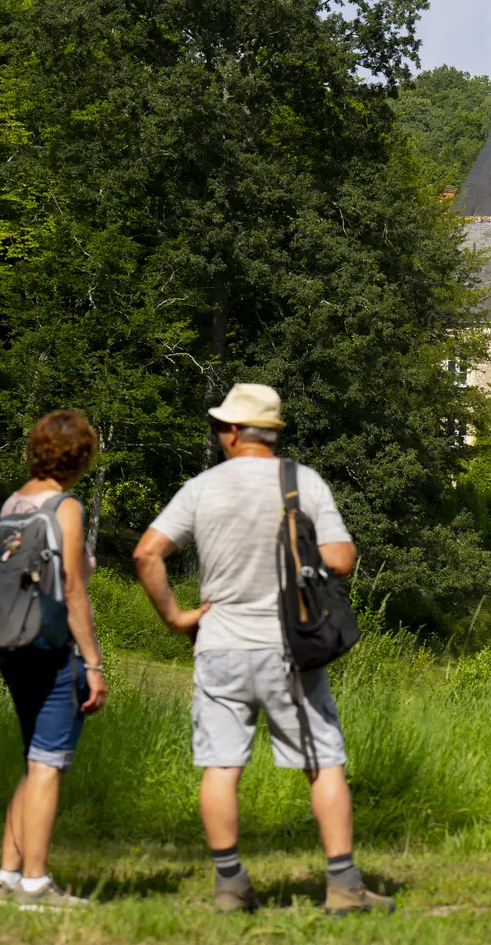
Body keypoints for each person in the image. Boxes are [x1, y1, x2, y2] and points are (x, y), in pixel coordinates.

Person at [133, 383, 393, 917]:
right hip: (289, 649)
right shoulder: (301, 482)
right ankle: (344, 886)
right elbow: (342, 559)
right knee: (323, 762)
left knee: (221, 766)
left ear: (232, 432)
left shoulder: (202, 488)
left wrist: (177, 617)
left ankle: (230, 885)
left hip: (220, 646)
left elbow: (147, 553)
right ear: (270, 432)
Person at [0, 409, 107, 911]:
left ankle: (7, 877)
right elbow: (74, 590)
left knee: (33, 760)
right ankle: (36, 886)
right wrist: (93, 662)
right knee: (48, 764)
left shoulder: (14, 502)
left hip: (11, 643)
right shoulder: (65, 505)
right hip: (53, 647)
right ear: (80, 456)